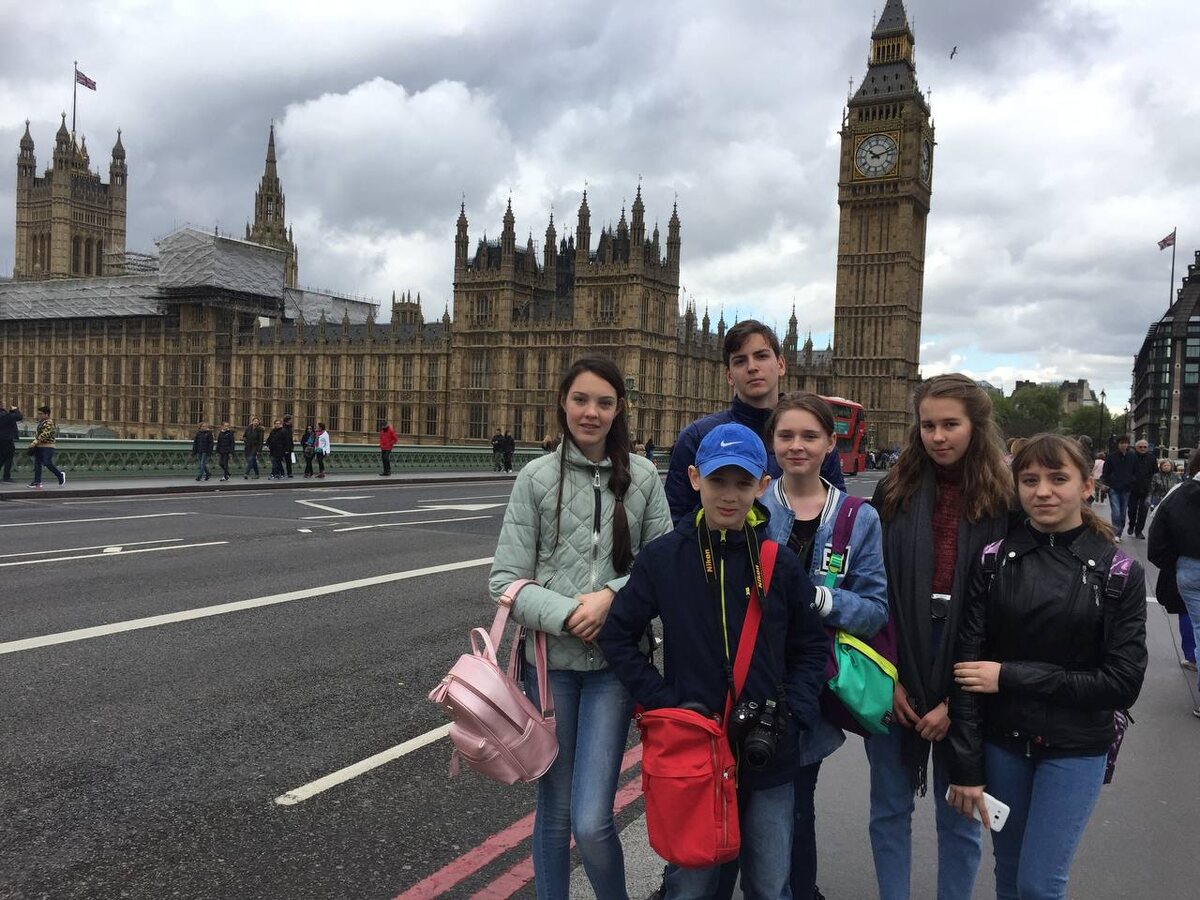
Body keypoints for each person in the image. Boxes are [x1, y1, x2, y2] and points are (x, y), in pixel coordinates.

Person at [598, 422, 828, 899]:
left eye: (742, 483)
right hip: (694, 749)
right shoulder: (664, 558)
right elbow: (617, 635)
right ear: (694, 478)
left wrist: (795, 713)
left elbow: (811, 647)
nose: (729, 494)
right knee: (692, 885)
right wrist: (663, 701)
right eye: (718, 480)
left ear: (762, 486)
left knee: (770, 885)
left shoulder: (780, 563)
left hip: (769, 750)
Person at [489, 355, 672, 900]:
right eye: (581, 400)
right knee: (554, 812)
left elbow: (663, 569)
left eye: (604, 403)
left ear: (619, 410)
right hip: (550, 671)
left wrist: (611, 600)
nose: (591, 412)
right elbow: (505, 580)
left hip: (615, 668)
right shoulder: (536, 478)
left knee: (591, 819)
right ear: (563, 403)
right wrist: (569, 614)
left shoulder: (643, 478)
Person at [948, 433, 1148, 899]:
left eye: (1058, 479)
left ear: (1087, 486)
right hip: (1004, 743)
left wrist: (1009, 676)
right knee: (1008, 873)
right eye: (1030, 480)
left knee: (1039, 884)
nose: (1043, 492)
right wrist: (966, 766)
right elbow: (968, 671)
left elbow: (1121, 683)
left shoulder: (1119, 572)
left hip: (1075, 748)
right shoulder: (992, 561)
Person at [867, 373, 1013, 900]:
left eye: (950, 424)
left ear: (977, 426)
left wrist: (957, 701)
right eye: (928, 425)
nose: (937, 436)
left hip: (969, 658)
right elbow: (873, 585)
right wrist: (889, 678)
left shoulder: (1005, 499)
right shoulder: (894, 489)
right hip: (898, 651)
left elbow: (1009, 609)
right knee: (889, 808)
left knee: (961, 811)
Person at [760, 392, 889, 900]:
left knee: (797, 802)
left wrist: (818, 599)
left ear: (830, 443)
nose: (797, 446)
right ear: (772, 442)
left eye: (809, 436)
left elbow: (874, 609)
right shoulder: (750, 504)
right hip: (748, 675)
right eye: (786, 435)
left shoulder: (859, 518)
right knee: (747, 799)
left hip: (811, 684)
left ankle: (799, 891)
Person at [665, 319, 845, 525]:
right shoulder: (698, 437)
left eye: (761, 356)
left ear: (781, 365)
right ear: (729, 376)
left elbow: (839, 515)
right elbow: (676, 519)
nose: (752, 367)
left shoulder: (813, 439)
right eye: (740, 361)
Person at [1148, 448, 1200, 717]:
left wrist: (1171, 562)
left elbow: (1158, 531)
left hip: (1190, 565)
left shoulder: (1180, 493)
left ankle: (1191, 654)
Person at [1101, 435, 1135, 541]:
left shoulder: (1132, 457)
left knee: (1123, 512)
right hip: (1114, 487)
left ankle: (1119, 532)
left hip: (1126, 488)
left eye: (1125, 443)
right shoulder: (1111, 457)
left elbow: (1135, 471)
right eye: (1121, 443)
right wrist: (1105, 483)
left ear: (1128, 444)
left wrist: (1132, 481)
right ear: (1118, 444)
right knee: (1116, 511)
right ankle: (1116, 533)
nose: (1124, 445)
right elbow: (1106, 471)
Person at [29, 405, 66, 488]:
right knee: (37, 464)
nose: (39, 415)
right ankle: (37, 482)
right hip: (39, 446)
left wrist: (34, 442)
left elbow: (45, 434)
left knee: (47, 463)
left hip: (48, 446)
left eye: (41, 414)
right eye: (39, 414)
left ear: (47, 414)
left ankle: (60, 475)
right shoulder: (41, 423)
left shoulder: (49, 423)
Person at [0, 401, 21, 483]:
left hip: (1, 439)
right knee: (9, 457)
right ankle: (6, 477)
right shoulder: (4, 414)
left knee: (2, 458)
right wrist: (15, 410)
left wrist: (11, 412)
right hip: (7, 439)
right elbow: (19, 417)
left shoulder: (4, 415)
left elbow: (10, 418)